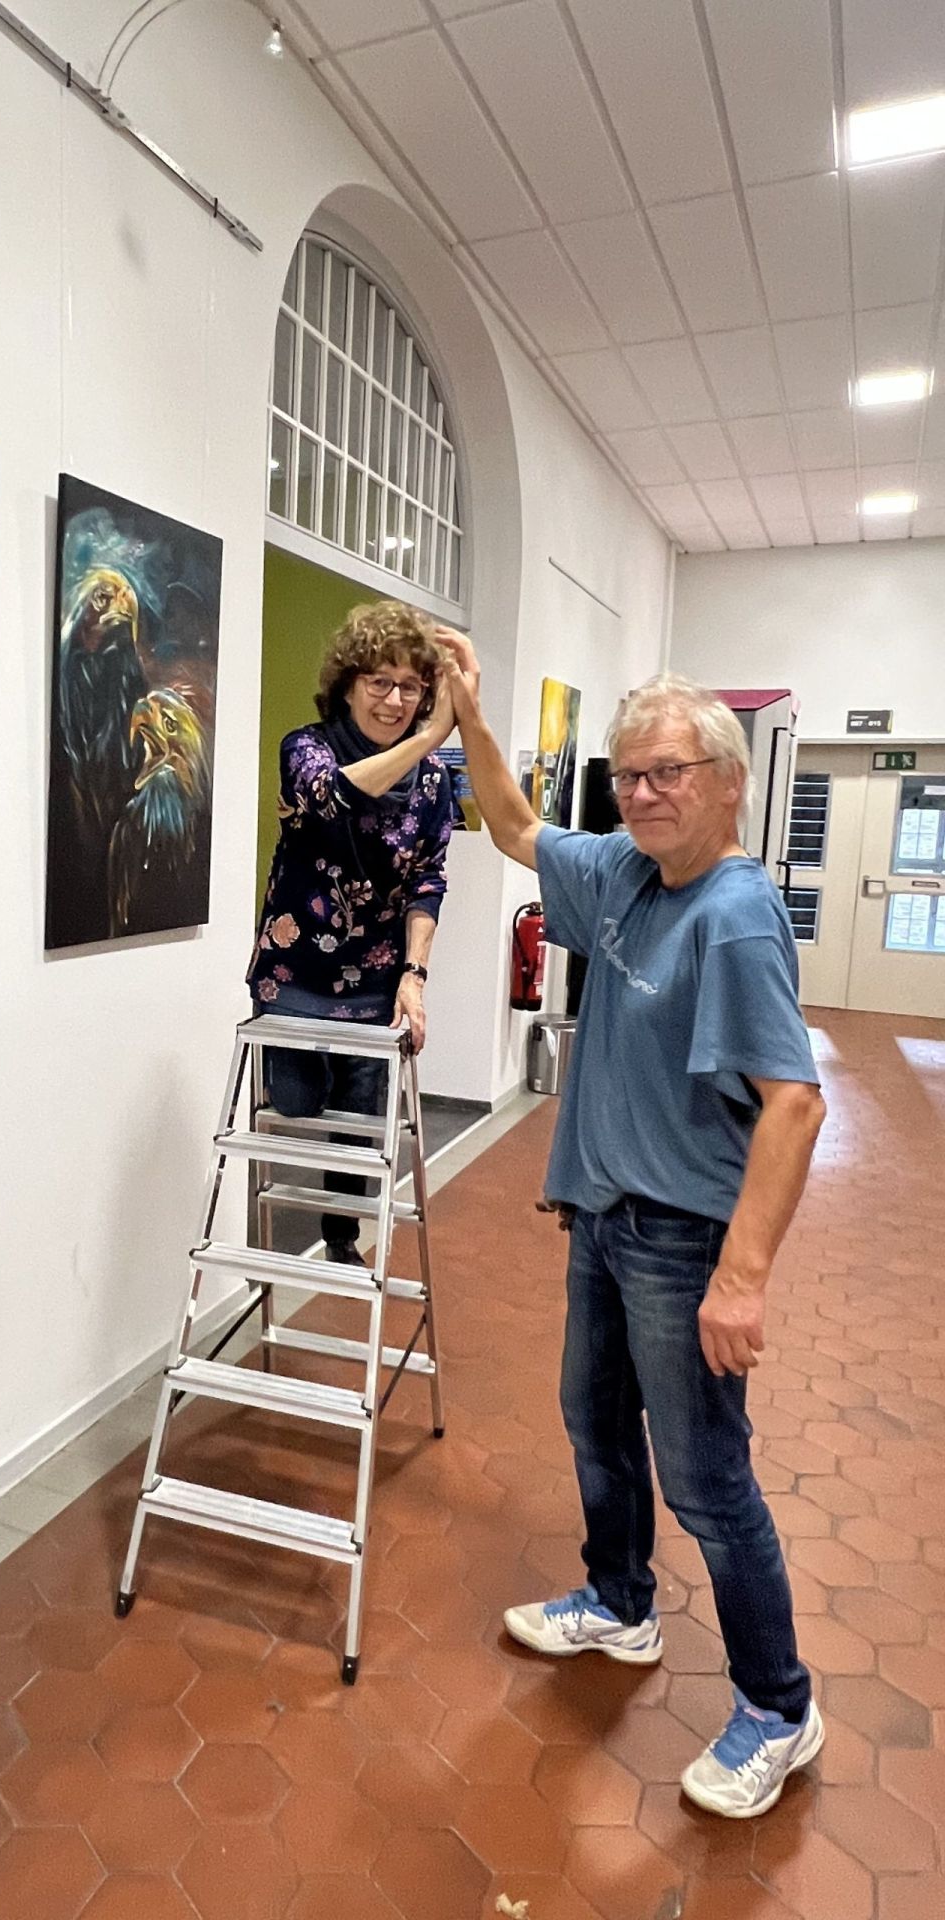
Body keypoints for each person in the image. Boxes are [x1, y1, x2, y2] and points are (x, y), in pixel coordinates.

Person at [442, 634, 827, 1821]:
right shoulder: (622, 870)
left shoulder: (734, 916)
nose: (645, 794)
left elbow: (795, 1104)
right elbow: (513, 827)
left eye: (668, 773)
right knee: (597, 1425)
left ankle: (780, 1707)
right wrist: (470, 715)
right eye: (628, 775)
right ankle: (619, 1603)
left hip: (682, 1239)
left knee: (707, 1480)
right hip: (604, 1220)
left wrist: (741, 1280)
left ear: (727, 782)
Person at [247, 601, 456, 1263]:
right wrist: (427, 738)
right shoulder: (306, 748)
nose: (395, 701)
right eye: (380, 682)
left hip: (376, 978)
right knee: (297, 1102)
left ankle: (340, 1236)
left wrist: (414, 977)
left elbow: (428, 880)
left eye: (411, 687)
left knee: (360, 1124)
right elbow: (332, 796)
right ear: (348, 685)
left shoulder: (432, 782)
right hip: (296, 972)